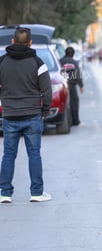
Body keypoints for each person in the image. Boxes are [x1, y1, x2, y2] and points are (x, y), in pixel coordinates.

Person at [0, 27, 53, 203]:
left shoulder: (2, 62)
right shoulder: (38, 63)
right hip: (32, 115)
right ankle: (36, 193)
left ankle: (4, 193)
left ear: (12, 42)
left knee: (8, 155)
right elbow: (47, 91)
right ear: (30, 43)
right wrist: (44, 111)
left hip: (9, 116)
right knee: (34, 154)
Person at [60, 46, 84, 126]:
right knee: (74, 102)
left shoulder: (60, 61)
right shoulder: (74, 62)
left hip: (62, 85)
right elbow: (77, 75)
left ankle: (66, 121)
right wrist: (81, 85)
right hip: (72, 85)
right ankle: (75, 121)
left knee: (63, 103)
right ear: (73, 54)